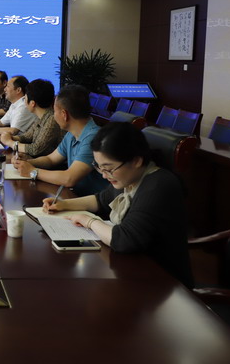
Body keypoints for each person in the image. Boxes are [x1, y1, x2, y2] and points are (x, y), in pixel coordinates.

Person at [42, 122, 193, 288]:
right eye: (99, 168)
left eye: (108, 168)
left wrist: (89, 221)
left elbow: (124, 239)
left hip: (163, 283)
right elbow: (101, 199)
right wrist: (64, 204)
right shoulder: (130, 176)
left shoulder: (158, 186)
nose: (104, 175)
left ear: (136, 161)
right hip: (132, 269)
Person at [12, 84, 109, 196]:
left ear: (64, 114)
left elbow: (69, 178)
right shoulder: (71, 133)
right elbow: (50, 159)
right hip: (75, 197)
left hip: (92, 203)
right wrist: (27, 163)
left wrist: (33, 172)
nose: (53, 116)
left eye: (54, 111)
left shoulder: (93, 138)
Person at [0, 79, 65, 158]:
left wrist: (10, 142)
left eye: (24, 98)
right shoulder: (41, 117)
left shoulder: (52, 120)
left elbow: (35, 149)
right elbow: (27, 137)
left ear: (32, 103)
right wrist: (11, 137)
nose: (24, 102)